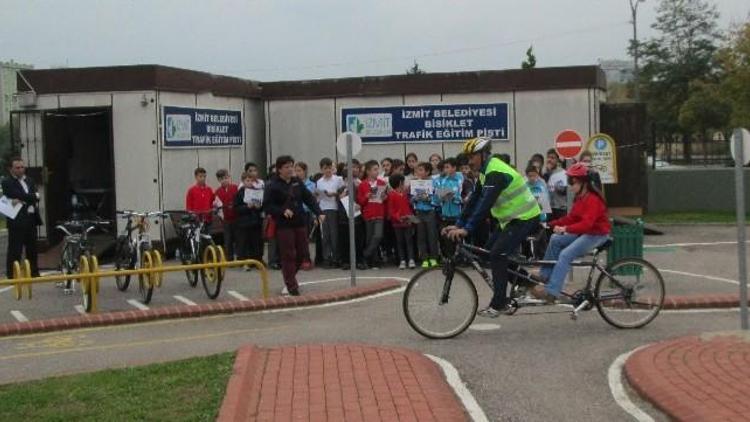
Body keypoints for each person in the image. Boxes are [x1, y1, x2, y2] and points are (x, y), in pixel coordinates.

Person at [444, 137, 541, 317]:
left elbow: (485, 205)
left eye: (472, 156)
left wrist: (467, 229)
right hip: (510, 219)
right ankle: (526, 282)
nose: (469, 161)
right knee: (488, 254)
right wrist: (457, 224)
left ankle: (499, 304)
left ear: (483, 154)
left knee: (498, 254)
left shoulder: (495, 171)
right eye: (468, 157)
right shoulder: (484, 171)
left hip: (525, 217)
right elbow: (474, 200)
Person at [531, 163, 611, 302]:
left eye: (572, 181)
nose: (569, 185)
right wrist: (549, 224)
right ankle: (545, 275)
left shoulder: (593, 199)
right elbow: (571, 218)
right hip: (587, 233)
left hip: (597, 234)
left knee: (565, 255)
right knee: (555, 239)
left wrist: (565, 229)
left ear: (584, 183)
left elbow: (586, 224)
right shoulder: (581, 197)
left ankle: (552, 293)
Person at [264, 156, 323, 296]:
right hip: (283, 225)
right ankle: (291, 285)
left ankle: (290, 278)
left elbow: (308, 198)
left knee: (302, 253)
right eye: (286, 167)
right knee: (288, 254)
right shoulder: (272, 185)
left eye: (291, 166)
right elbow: (267, 206)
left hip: (299, 222)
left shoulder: (297, 182)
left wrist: (319, 212)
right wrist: (282, 211)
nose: (290, 169)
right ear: (279, 169)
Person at [2, 157, 42, 277]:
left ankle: (34, 273)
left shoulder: (29, 180)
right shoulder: (7, 182)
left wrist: (23, 198)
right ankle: (12, 275)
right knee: (15, 249)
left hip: (31, 218)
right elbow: (14, 194)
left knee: (32, 248)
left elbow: (37, 196)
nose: (20, 170)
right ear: (11, 169)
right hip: (17, 220)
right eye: (17, 168)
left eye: (22, 167)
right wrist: (31, 196)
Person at [357, 160, 387, 269]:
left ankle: (364, 255)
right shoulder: (363, 184)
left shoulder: (381, 183)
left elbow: (384, 199)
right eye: (374, 169)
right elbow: (360, 201)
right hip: (368, 214)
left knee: (378, 235)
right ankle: (372, 261)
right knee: (369, 238)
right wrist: (366, 196)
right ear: (368, 171)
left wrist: (384, 197)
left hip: (379, 213)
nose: (377, 171)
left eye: (377, 169)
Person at [316, 157, 344, 268]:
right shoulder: (319, 181)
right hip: (323, 209)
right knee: (325, 235)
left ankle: (336, 258)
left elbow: (343, 192)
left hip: (334, 208)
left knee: (334, 234)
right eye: (325, 168)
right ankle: (326, 258)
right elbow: (318, 197)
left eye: (329, 168)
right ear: (321, 169)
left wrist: (334, 194)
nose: (327, 170)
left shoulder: (338, 179)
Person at [234, 166, 265, 265]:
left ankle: (257, 260)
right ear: (243, 181)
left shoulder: (257, 192)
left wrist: (258, 206)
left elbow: (262, 205)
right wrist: (247, 207)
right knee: (244, 242)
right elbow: (236, 208)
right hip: (244, 222)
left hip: (255, 221)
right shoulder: (239, 193)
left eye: (251, 181)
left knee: (256, 242)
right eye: (247, 180)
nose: (249, 183)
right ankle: (244, 261)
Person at [411, 162, 440, 268]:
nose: (418, 172)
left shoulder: (434, 182)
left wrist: (429, 199)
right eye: (417, 170)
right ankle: (424, 258)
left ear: (427, 172)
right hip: (419, 212)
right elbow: (411, 198)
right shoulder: (415, 183)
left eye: (421, 170)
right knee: (421, 236)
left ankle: (434, 258)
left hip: (430, 211)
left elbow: (437, 197)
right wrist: (414, 199)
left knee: (432, 236)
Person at [433, 158, 463, 258]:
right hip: (445, 214)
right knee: (446, 240)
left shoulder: (460, 179)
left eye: (447, 167)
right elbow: (436, 199)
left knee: (458, 239)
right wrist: (441, 197)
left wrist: (454, 197)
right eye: (444, 168)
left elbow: (465, 196)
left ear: (454, 168)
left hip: (457, 215)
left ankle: (459, 258)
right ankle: (448, 258)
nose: (445, 170)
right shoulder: (441, 181)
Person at [387, 174, 416, 269]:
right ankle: (402, 260)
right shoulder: (391, 195)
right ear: (400, 183)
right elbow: (391, 211)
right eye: (403, 182)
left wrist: (411, 217)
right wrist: (398, 217)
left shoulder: (405, 194)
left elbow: (409, 207)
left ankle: (411, 259)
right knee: (400, 242)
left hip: (407, 221)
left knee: (409, 241)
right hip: (397, 223)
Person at [294, 162, 315, 270]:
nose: (297, 173)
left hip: (306, 213)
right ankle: (298, 259)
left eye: (300, 170)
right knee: (296, 238)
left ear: (305, 171)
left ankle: (306, 259)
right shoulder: (293, 184)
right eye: (296, 170)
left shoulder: (310, 184)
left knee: (305, 237)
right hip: (295, 213)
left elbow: (309, 199)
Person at [214, 169, 238, 260]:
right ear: (219, 180)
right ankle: (229, 257)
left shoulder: (235, 188)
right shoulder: (217, 192)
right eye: (222, 179)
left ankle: (240, 258)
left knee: (239, 239)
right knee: (228, 239)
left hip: (236, 217)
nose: (225, 180)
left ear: (229, 177)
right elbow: (216, 205)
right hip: (226, 219)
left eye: (226, 178)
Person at [543, 149, 567, 220]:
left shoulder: (563, 173)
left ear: (557, 160)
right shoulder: (545, 173)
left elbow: (566, 191)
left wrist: (560, 188)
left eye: (552, 158)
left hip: (560, 209)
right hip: (548, 209)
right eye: (548, 157)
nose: (550, 160)